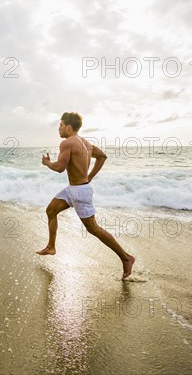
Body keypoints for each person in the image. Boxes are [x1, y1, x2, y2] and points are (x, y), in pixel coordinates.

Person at [36, 112, 135, 280]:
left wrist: (47, 163)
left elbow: (60, 168)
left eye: (60, 125)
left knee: (93, 228)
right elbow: (102, 156)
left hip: (80, 192)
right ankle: (51, 246)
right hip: (74, 189)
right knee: (51, 210)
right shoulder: (87, 144)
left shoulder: (67, 143)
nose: (58, 129)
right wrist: (89, 176)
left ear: (68, 127)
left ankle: (126, 258)